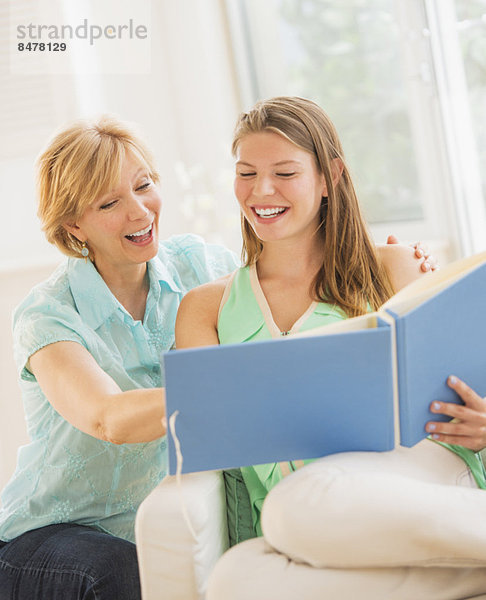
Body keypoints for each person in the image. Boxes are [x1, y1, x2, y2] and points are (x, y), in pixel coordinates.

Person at [175, 96, 486, 537]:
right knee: (292, 510)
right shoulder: (205, 309)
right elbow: (211, 441)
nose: (261, 190)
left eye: (285, 173)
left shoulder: (396, 267)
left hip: (417, 481)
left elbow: (465, 389)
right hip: (303, 515)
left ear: (330, 178)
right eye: (246, 174)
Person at [0, 116, 238, 600]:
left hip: (152, 523)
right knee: (116, 569)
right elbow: (108, 418)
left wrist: (385, 263)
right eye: (110, 203)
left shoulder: (201, 266)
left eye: (144, 185)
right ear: (73, 224)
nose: (139, 211)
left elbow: (289, 298)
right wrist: (220, 387)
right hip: (49, 533)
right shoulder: (48, 315)